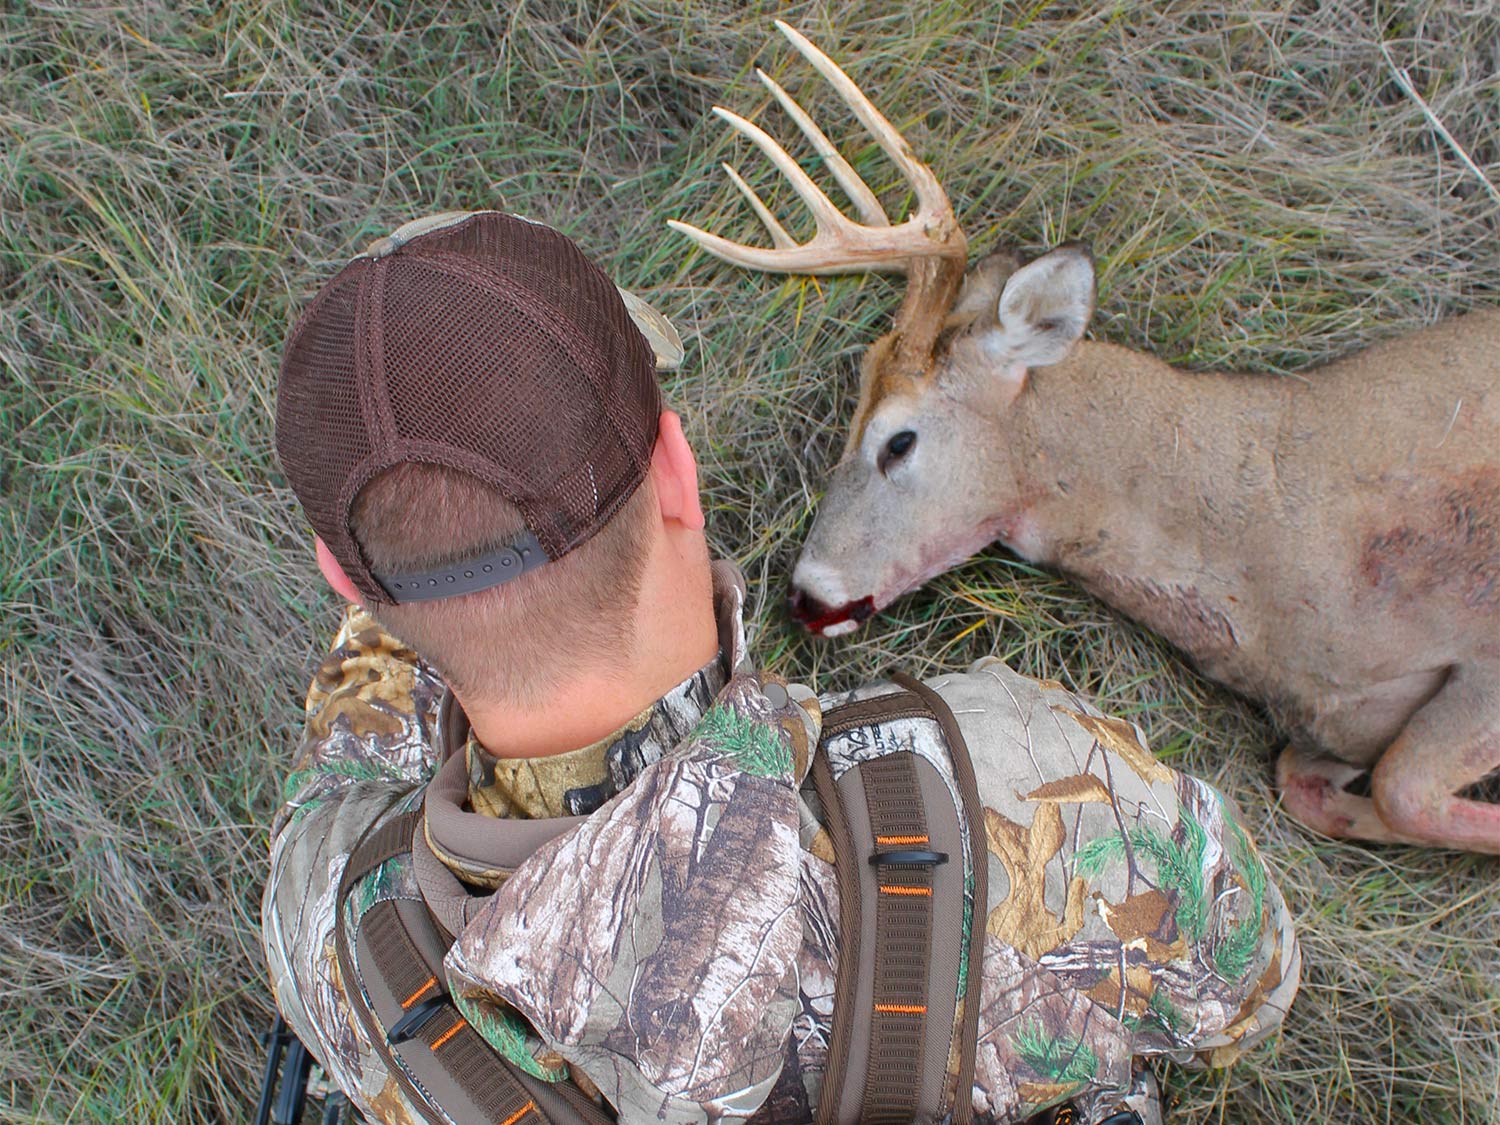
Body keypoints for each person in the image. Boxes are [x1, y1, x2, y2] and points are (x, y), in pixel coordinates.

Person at [262, 210, 1299, 1125]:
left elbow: (358, 732)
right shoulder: (1035, 782)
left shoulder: (325, 917)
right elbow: (1254, 988)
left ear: (342, 583)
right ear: (677, 469)